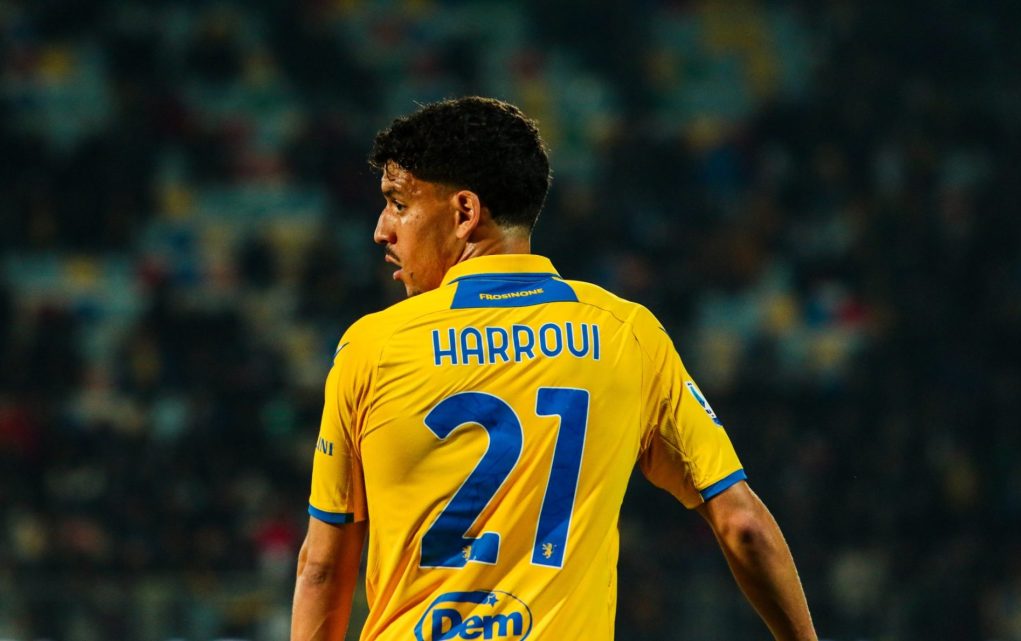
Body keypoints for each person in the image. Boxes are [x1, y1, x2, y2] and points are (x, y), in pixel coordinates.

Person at [291, 96, 816, 641]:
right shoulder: (626, 333)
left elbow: (322, 567)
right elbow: (743, 524)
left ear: (465, 212)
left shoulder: (373, 348)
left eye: (398, 203)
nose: (382, 230)